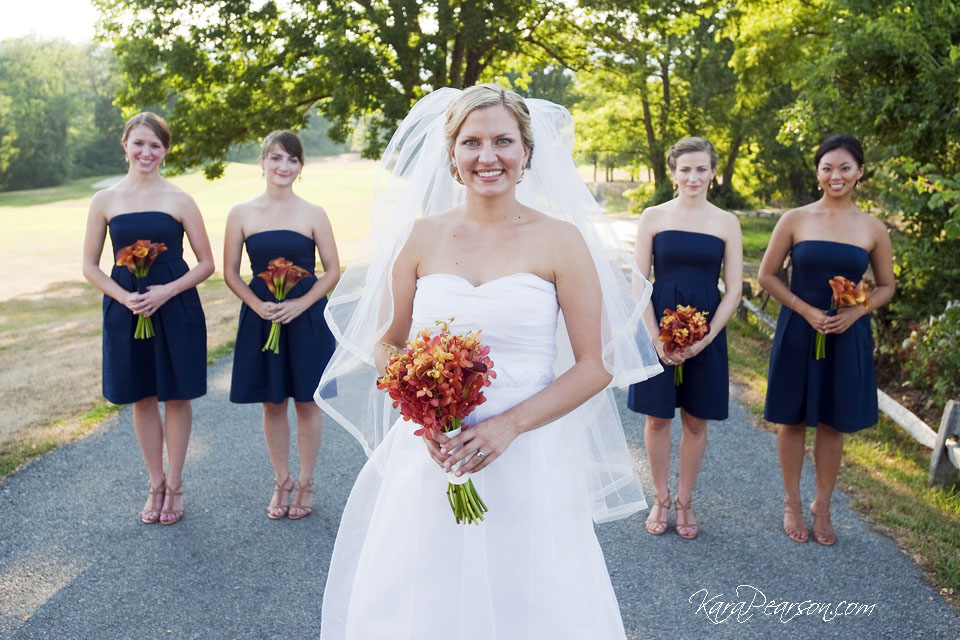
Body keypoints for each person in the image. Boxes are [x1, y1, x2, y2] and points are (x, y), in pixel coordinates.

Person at [313, 84, 661, 639]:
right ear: (452, 154)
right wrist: (424, 412)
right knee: (424, 599)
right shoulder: (419, 236)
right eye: (472, 142)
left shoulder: (560, 239)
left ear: (526, 151)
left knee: (527, 600)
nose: (487, 156)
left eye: (503, 140)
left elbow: (595, 365)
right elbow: (387, 343)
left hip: (529, 452)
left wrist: (508, 426)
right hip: (433, 452)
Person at [758, 135, 895, 545]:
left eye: (845, 168)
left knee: (834, 422)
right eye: (827, 168)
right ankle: (793, 503)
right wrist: (805, 310)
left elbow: (887, 286)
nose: (836, 176)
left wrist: (855, 312)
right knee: (792, 418)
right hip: (800, 330)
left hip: (845, 335)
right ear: (817, 172)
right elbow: (767, 275)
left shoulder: (873, 227)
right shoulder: (795, 219)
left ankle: (823, 505)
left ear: (859, 172)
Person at [81, 112, 214, 525]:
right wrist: (124, 297)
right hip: (127, 311)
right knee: (141, 396)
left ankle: (175, 484)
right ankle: (154, 483)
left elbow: (206, 263)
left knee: (175, 394)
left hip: (175, 307)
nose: (146, 152)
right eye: (139, 143)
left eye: (155, 145)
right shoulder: (104, 200)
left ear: (165, 151)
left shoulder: (180, 200)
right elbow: (89, 266)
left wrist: (166, 291)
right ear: (125, 144)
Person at [626, 137, 743, 539]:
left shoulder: (727, 221)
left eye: (701, 169)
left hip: (706, 330)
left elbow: (735, 290)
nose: (693, 176)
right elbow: (639, 281)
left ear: (713, 172)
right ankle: (660, 497)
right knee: (657, 417)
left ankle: (685, 501)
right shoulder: (653, 216)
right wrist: (656, 338)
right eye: (685, 169)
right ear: (673, 173)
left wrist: (706, 338)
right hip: (658, 325)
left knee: (695, 419)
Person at [224, 130, 340, 520]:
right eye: (276, 158)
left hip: (305, 317)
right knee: (273, 403)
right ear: (262, 163)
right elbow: (230, 272)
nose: (283, 166)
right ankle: (282, 480)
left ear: (301, 167)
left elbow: (332, 270)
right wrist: (259, 305)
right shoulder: (241, 214)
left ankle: (306, 481)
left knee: (307, 402)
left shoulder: (314, 213)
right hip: (263, 319)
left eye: (292, 160)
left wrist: (300, 304)